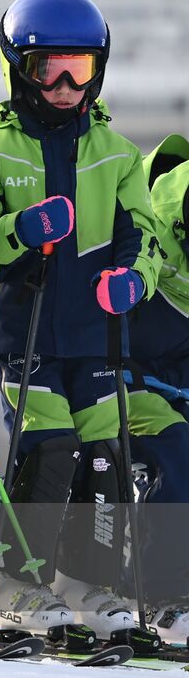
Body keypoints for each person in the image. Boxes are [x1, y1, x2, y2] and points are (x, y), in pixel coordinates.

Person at [0, 0, 160, 638]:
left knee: (105, 450)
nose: (69, 84)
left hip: (93, 331)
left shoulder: (117, 155)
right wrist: (23, 230)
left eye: (83, 67)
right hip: (26, 330)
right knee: (50, 447)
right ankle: (19, 583)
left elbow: (144, 235)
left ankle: (88, 584)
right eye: (51, 68)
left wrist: (133, 278)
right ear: (19, 70)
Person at [127, 134, 189, 641]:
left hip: (175, 383)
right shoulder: (145, 232)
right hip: (123, 385)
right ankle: (163, 594)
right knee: (179, 449)